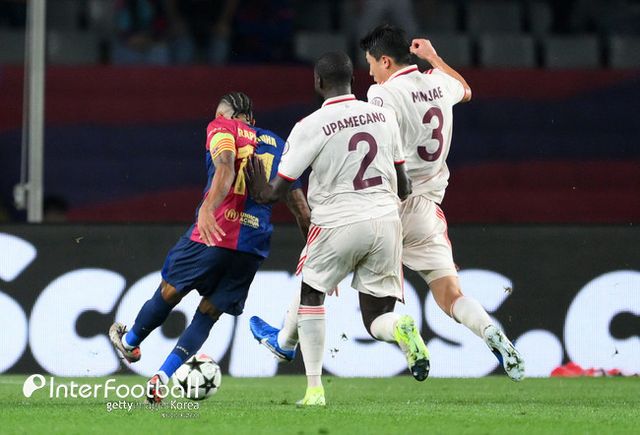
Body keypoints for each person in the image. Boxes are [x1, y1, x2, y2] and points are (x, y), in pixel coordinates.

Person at [250, 25, 525, 382]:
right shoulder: (438, 82)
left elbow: (375, 136)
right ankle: (489, 330)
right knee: (449, 293)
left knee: (316, 269)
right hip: (427, 207)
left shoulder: (382, 94)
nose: (369, 73)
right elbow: (467, 90)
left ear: (385, 61)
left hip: (386, 202)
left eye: (371, 64)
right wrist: (434, 58)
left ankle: (285, 341)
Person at [245, 51, 428, 407]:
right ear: (353, 80)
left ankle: (314, 388)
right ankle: (399, 327)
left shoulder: (310, 125)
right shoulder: (384, 116)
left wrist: (259, 189)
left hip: (338, 222)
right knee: (377, 318)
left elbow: (276, 191)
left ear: (318, 83)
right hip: (386, 222)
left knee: (312, 293)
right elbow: (404, 185)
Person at [108, 91, 310, 403]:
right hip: (252, 245)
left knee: (170, 291)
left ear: (225, 116)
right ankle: (162, 377)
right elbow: (299, 206)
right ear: (252, 119)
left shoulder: (222, 128)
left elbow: (225, 169)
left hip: (215, 231)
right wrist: (314, 250)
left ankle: (131, 342)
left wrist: (207, 208)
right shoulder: (278, 143)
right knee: (208, 314)